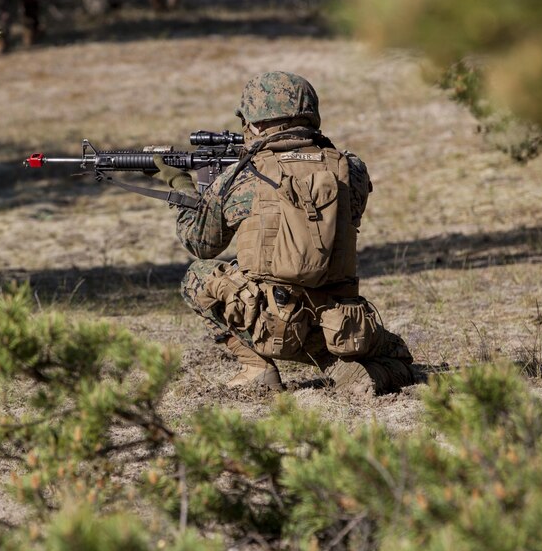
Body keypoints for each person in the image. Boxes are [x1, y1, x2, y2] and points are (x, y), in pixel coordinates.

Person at [151, 71, 418, 395]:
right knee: (397, 359)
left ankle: (257, 368)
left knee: (198, 276)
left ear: (257, 124)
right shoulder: (351, 169)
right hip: (344, 323)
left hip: (274, 325)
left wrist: (183, 186)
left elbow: (200, 244)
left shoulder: (241, 178)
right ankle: (347, 367)